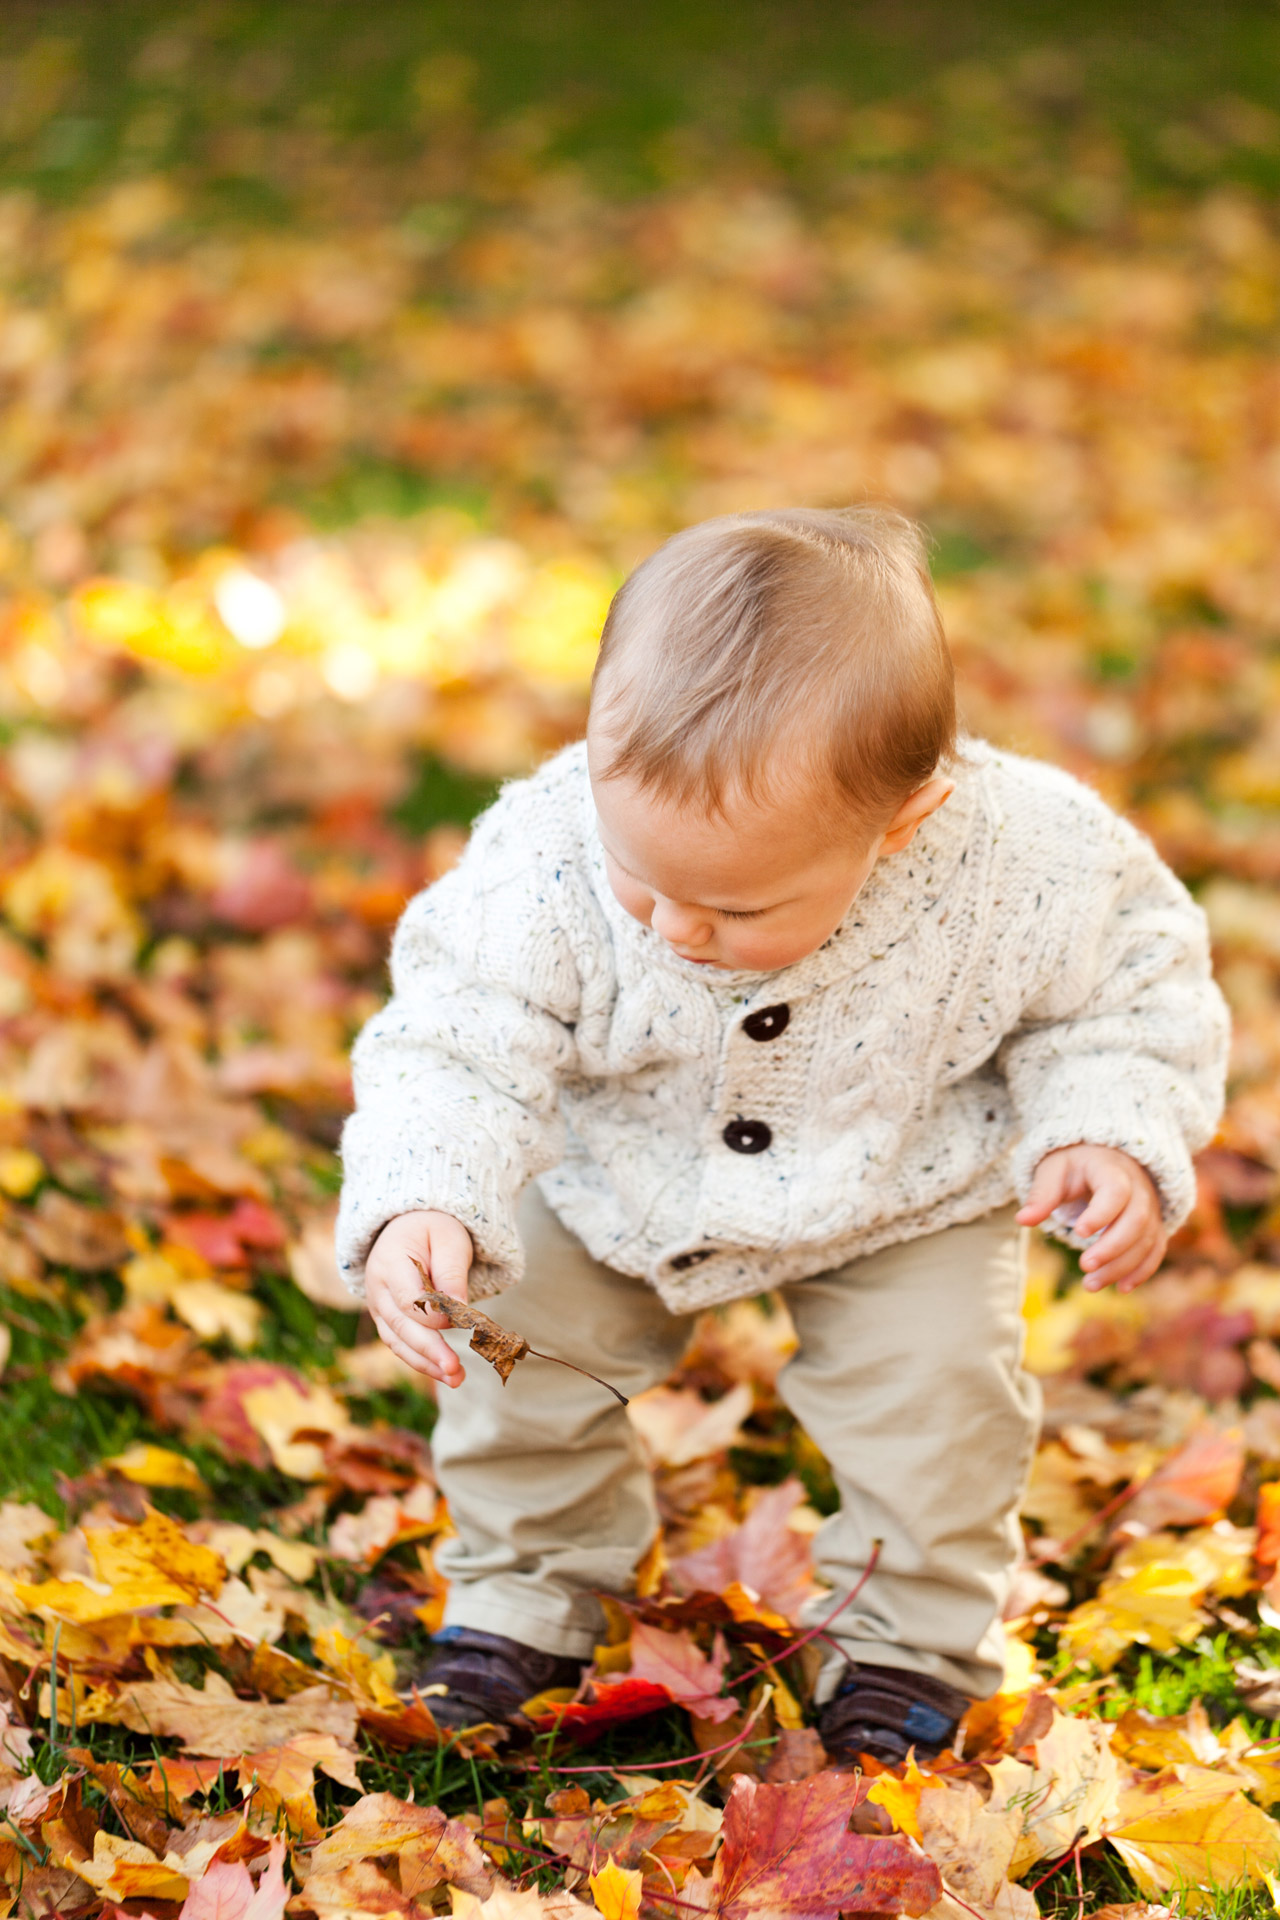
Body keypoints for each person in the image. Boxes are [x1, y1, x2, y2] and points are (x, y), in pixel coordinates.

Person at [336, 506, 1228, 1763]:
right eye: (637, 877)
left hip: (901, 1183)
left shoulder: (1026, 860)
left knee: (940, 1407)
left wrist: (1110, 1126)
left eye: (734, 904)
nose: (670, 928)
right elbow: (454, 1034)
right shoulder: (538, 857)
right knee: (509, 1356)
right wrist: (424, 1194)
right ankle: (525, 1592)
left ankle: (907, 1640)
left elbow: (1130, 982)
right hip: (609, 1175)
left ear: (902, 820)